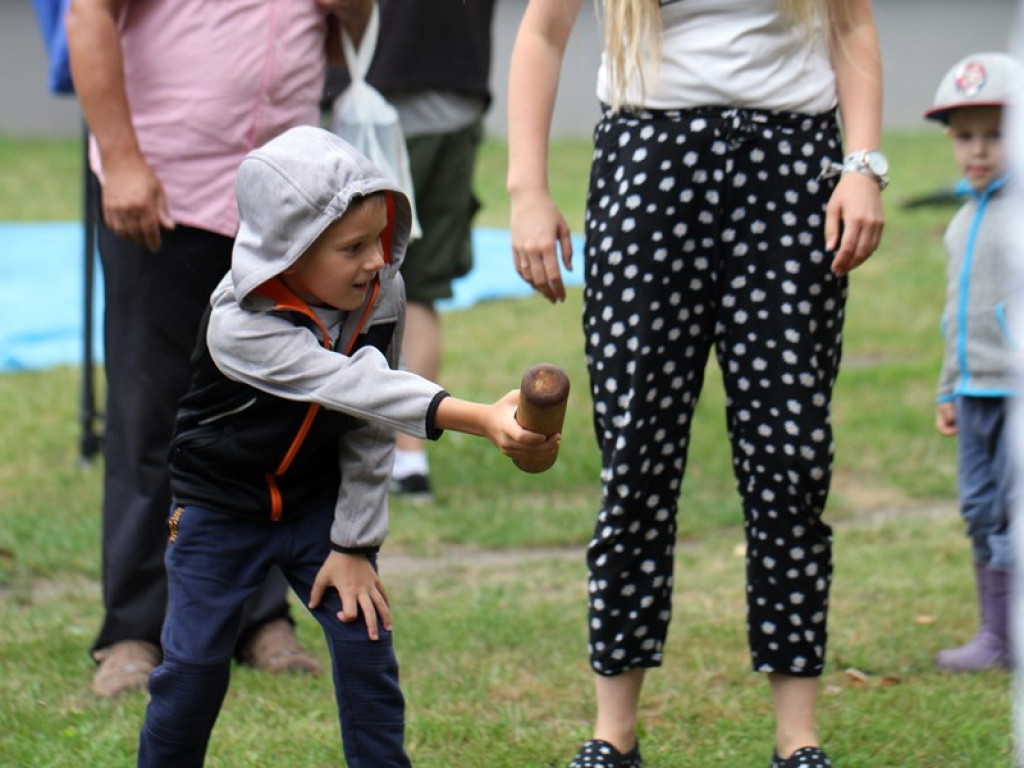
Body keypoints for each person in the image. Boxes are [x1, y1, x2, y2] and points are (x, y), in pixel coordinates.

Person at [506, 1, 885, 766]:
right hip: (649, 162)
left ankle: (798, 739)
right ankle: (613, 734)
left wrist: (862, 165)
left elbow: (852, 25)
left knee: (790, 457)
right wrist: (526, 191)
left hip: (790, 167)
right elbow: (542, 31)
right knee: (635, 457)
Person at [137, 125, 554, 766]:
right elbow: (357, 387)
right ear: (289, 252)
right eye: (352, 247)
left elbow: (369, 425)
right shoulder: (238, 325)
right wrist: (476, 417)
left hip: (317, 507)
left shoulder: (380, 294)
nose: (375, 260)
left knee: (367, 655)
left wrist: (353, 542)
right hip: (217, 510)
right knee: (191, 672)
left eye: (379, 239)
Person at [64, 0, 372, 697]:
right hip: (165, 194)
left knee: (271, 417)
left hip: (284, 213)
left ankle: (260, 618)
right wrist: (121, 160)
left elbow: (341, 42)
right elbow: (89, 15)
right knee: (151, 416)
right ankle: (134, 629)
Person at [363, 0, 497, 501]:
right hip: (453, 88)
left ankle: (373, 450)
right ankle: (408, 457)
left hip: (371, 97)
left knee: (344, 281)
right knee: (419, 290)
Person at [924, 51, 1023, 673]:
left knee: (1014, 514)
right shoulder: (960, 222)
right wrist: (947, 387)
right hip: (972, 392)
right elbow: (954, 315)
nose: (978, 150)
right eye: (966, 137)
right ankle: (995, 633)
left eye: (996, 135)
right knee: (980, 509)